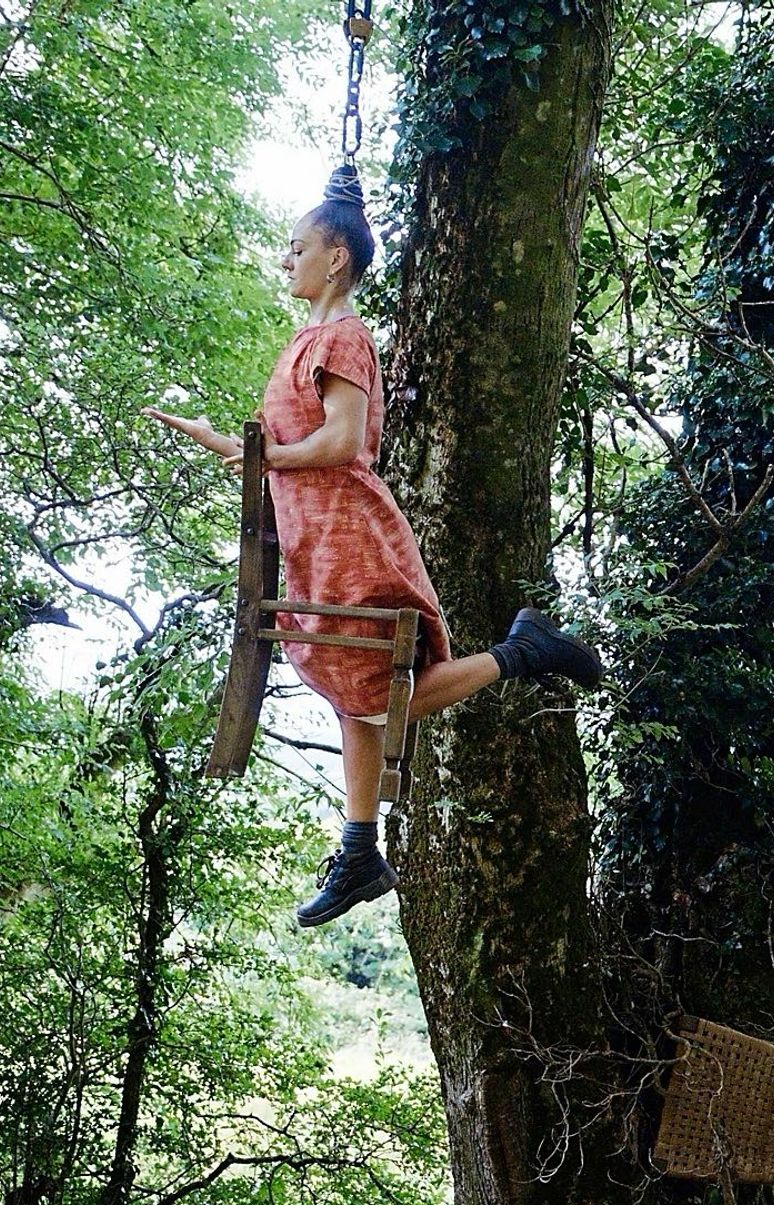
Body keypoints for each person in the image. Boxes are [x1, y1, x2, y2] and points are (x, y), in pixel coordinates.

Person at [143, 165, 602, 929]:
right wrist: (232, 446)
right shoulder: (310, 339)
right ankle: (359, 848)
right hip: (316, 537)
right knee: (355, 688)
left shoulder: (345, 337)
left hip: (352, 536)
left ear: (337, 260)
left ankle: (525, 652)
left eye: (298, 247)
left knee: (376, 692)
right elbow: (292, 445)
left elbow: (344, 440)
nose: (286, 259)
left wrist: (257, 456)